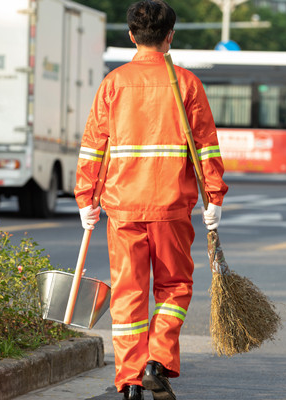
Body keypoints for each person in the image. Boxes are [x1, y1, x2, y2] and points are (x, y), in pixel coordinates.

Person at [74, 1, 227, 399]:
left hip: (122, 207)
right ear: (170, 36)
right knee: (175, 287)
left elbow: (93, 148)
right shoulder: (187, 84)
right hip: (172, 206)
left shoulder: (113, 83)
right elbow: (206, 148)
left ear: (131, 36)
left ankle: (128, 382)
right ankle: (157, 362)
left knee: (128, 294)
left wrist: (85, 199)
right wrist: (214, 197)